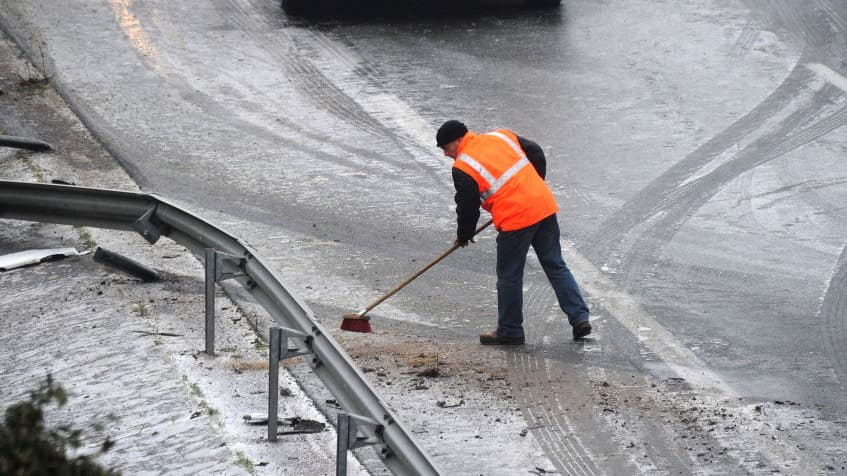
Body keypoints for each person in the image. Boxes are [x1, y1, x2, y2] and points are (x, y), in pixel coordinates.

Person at [436, 119, 591, 344]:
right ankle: (580, 318)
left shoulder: (462, 166)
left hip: (515, 219)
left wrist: (464, 235)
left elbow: (467, 206)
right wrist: (532, 187)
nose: (446, 154)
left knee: (509, 275)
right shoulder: (501, 136)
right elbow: (536, 153)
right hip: (543, 205)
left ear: (458, 140)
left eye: (446, 148)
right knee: (555, 264)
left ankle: (510, 330)